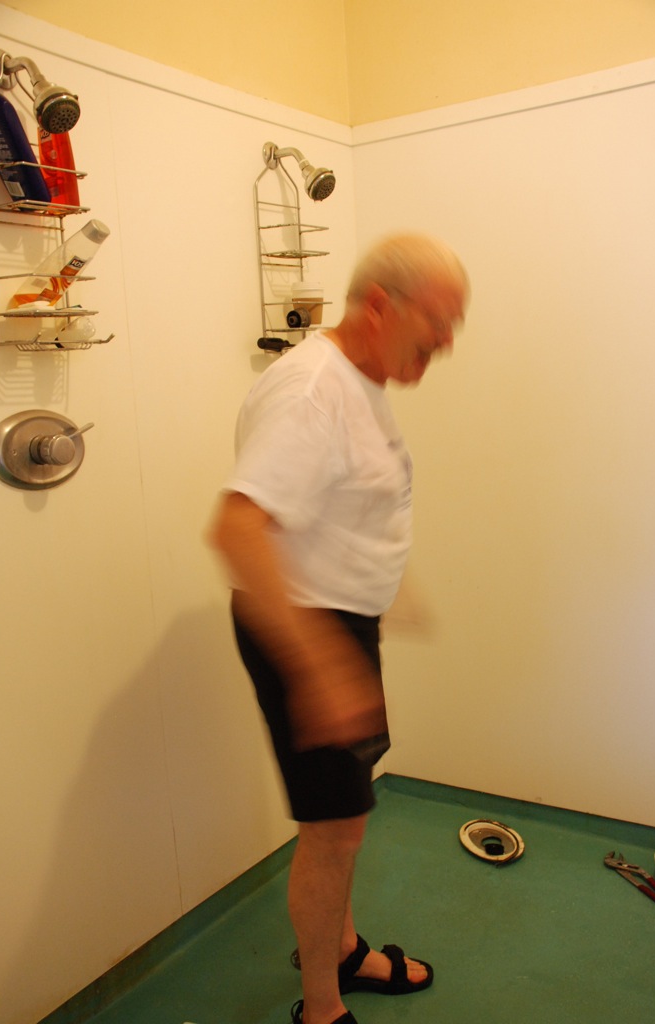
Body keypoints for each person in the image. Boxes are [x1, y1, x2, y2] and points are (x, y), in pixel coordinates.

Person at [208, 233, 469, 1024]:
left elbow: (339, 502)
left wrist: (386, 585)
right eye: (438, 322)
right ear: (380, 305)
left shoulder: (360, 379)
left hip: (337, 625)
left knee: (343, 822)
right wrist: (320, 667)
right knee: (333, 832)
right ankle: (321, 1009)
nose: (446, 342)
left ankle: (344, 950)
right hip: (304, 633)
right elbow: (235, 529)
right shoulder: (312, 390)